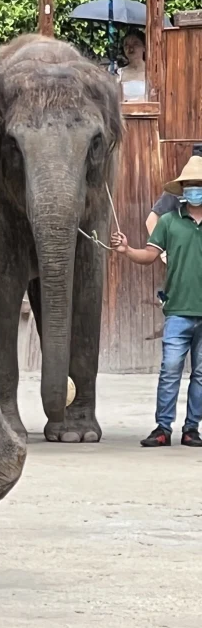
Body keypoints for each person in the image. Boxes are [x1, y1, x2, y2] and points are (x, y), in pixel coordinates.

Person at [111, 153, 202, 448]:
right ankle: (163, 428)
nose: (194, 189)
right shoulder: (168, 221)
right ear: (182, 190)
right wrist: (127, 250)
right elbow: (149, 256)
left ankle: (192, 429)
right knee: (170, 369)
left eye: (198, 184)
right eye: (189, 185)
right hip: (177, 310)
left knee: (201, 374)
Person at [117, 29, 147, 101]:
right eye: (126, 45)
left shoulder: (153, 72)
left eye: (135, 44)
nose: (130, 48)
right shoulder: (119, 73)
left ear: (144, 47)